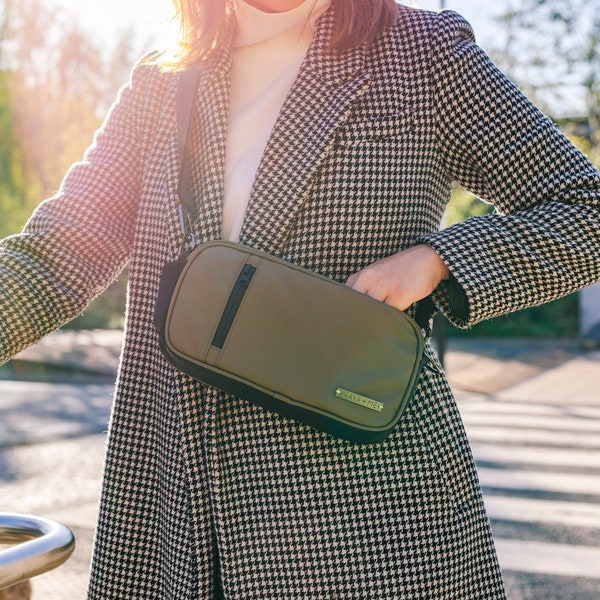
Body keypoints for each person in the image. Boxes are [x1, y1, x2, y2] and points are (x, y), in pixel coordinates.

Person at [1, 0, 598, 597]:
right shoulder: (164, 79)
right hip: (174, 512)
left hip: (363, 515)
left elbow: (584, 207)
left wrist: (437, 261)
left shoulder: (420, 51)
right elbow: (57, 254)